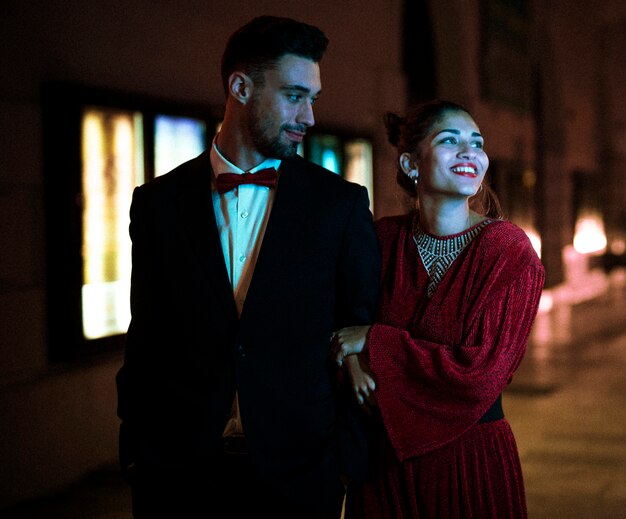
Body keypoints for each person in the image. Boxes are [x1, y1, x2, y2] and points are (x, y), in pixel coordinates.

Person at [115, 15, 381, 519]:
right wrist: (138, 457)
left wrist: (344, 465)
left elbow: (357, 332)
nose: (309, 115)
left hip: (301, 480)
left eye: (313, 98)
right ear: (240, 86)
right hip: (179, 477)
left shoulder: (339, 206)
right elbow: (146, 337)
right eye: (294, 95)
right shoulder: (158, 204)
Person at [332, 99, 545, 518]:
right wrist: (351, 363)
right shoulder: (381, 240)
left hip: (469, 463)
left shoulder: (508, 251)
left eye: (477, 142)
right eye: (450, 141)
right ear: (411, 164)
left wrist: (375, 342)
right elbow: (337, 324)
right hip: (383, 467)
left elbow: (478, 375)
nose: (470, 152)